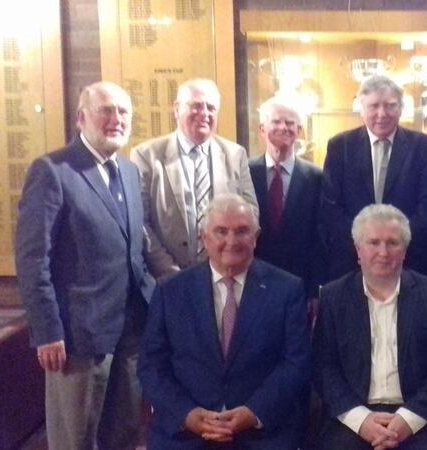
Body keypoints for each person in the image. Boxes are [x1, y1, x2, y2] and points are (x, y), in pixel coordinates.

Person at [14, 81, 155, 450]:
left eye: (123, 112)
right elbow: (32, 260)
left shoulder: (128, 171)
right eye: (105, 110)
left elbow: (133, 252)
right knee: (77, 440)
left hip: (129, 332)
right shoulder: (53, 171)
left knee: (123, 437)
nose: (116, 119)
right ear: (81, 118)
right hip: (76, 338)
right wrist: (47, 331)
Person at [138, 193, 311, 449]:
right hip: (186, 434)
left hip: (262, 434)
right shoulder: (170, 291)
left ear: (256, 237)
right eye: (221, 231)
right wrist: (187, 415)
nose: (232, 241)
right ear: (204, 238)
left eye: (242, 231)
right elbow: (151, 367)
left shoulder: (287, 289)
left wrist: (254, 412)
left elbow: (295, 364)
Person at [313, 204, 427, 450]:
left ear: (404, 251)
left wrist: (407, 419)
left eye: (392, 243)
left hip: (418, 414)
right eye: (373, 242)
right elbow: (323, 366)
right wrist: (362, 421)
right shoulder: (333, 296)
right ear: (358, 250)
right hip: (354, 416)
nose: (383, 252)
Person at [131, 78, 258, 278]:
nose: (205, 113)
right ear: (176, 110)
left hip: (224, 277)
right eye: (196, 106)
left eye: (211, 107)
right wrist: (170, 271)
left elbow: (251, 213)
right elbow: (141, 222)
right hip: (168, 278)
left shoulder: (235, 154)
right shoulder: (146, 156)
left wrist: (230, 260)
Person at [321, 75, 427, 280]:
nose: (381, 113)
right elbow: (331, 206)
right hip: (351, 261)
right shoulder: (340, 146)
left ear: (401, 108)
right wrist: (365, 245)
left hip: (408, 260)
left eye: (390, 106)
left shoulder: (421, 146)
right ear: (361, 109)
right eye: (373, 106)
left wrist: (395, 243)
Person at [249, 98, 324, 298]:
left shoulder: (318, 178)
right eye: (276, 122)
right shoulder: (244, 172)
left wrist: (314, 291)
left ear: (299, 131)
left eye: (290, 123)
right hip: (252, 282)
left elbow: (320, 240)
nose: (284, 127)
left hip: (299, 286)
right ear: (262, 128)